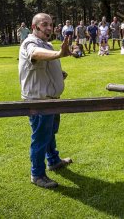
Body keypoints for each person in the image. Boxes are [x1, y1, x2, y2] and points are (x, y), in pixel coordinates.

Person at [19, 13, 72, 189]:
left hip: (50, 99)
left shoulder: (46, 44)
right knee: (40, 137)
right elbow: (35, 54)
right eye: (44, 24)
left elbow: (45, 64)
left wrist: (59, 74)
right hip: (38, 101)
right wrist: (58, 53)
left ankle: (54, 160)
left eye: (51, 24)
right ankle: (37, 174)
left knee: (49, 133)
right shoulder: (30, 43)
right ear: (34, 27)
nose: (49, 28)